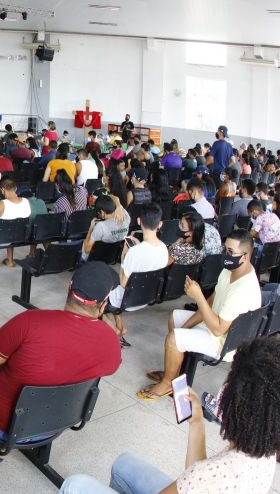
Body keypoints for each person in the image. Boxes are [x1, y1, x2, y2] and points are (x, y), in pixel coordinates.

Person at [61, 336, 280, 494]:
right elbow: (200, 473)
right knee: (124, 463)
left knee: (75, 485)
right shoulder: (263, 448)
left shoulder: (213, 474)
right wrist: (196, 423)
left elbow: (200, 478)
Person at [0, 261, 120, 447]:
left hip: (2, 426)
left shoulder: (29, 322)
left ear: (68, 287)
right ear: (103, 305)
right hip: (57, 424)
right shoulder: (110, 341)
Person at [139, 229, 260, 400]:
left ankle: (167, 385)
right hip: (215, 322)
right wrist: (186, 325)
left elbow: (218, 330)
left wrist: (197, 296)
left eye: (231, 252)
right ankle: (173, 374)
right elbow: (211, 302)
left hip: (224, 342)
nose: (226, 255)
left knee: (174, 338)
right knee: (175, 318)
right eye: (225, 249)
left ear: (245, 257)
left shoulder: (243, 289)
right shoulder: (229, 271)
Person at [105, 204, 169, 345]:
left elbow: (122, 282)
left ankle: (115, 331)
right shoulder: (164, 248)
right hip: (146, 297)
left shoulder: (134, 253)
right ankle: (121, 325)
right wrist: (139, 246)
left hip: (127, 300)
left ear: (139, 221)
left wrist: (124, 254)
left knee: (95, 296)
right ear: (160, 224)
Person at [82, 195, 130, 261]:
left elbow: (86, 250)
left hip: (95, 260)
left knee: (83, 245)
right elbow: (115, 197)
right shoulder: (125, 215)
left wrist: (91, 228)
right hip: (111, 257)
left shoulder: (101, 226)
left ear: (102, 212)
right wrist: (118, 206)